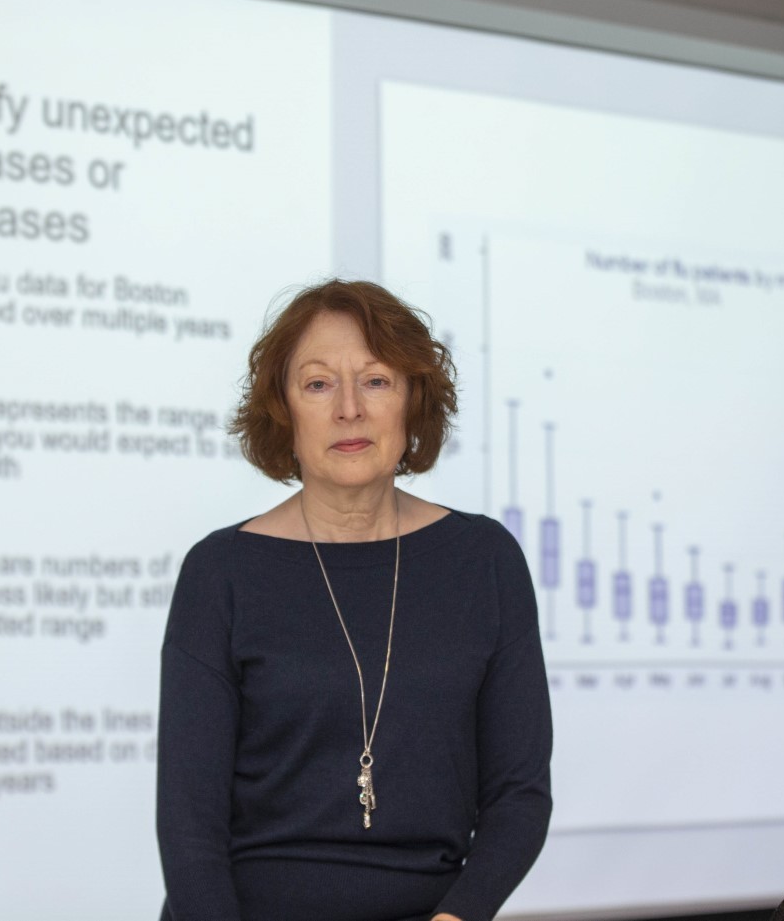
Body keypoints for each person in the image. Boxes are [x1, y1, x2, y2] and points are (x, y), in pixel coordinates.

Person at [157, 279, 552, 921]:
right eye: (318, 384)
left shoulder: (485, 560)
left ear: (412, 402)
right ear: (283, 410)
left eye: (376, 381)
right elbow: (188, 824)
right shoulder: (220, 572)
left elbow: (520, 795)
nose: (349, 409)